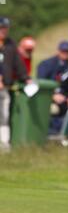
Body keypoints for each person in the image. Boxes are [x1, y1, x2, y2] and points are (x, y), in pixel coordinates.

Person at [37, 41, 68, 134]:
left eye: (67, 51)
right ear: (58, 51)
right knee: (54, 110)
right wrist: (52, 96)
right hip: (47, 99)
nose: (65, 53)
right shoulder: (47, 65)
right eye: (63, 51)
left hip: (64, 100)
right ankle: (52, 134)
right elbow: (41, 84)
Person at [0, 17, 29, 151]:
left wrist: (25, 78)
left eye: (5, 28)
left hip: (4, 88)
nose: (3, 30)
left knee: (4, 116)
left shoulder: (10, 44)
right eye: (1, 28)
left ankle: (4, 144)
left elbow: (18, 64)